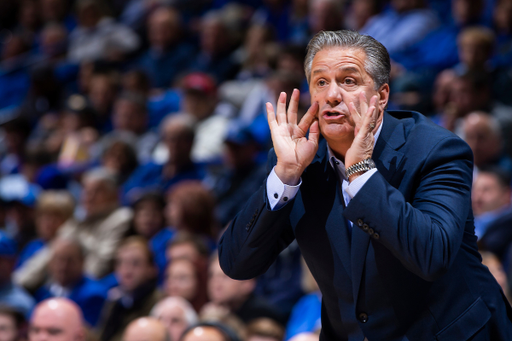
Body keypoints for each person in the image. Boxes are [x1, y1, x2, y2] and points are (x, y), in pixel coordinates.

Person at [218, 30, 512, 340]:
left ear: (381, 95)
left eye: (348, 81)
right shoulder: (297, 161)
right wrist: (285, 175)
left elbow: (432, 256)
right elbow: (237, 264)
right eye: (320, 82)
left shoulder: (435, 150)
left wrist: (360, 172)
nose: (332, 95)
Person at [32, 238, 107, 327]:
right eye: (59, 259)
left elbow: (85, 334)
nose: (63, 266)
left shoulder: (94, 295)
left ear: (82, 262)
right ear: (50, 263)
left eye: (70, 261)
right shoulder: (43, 292)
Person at [98, 237, 161, 341]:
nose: (127, 270)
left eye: (135, 263)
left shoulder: (159, 302)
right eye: (121, 262)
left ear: (151, 269)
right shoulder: (114, 300)